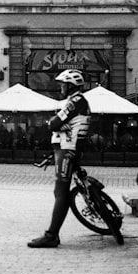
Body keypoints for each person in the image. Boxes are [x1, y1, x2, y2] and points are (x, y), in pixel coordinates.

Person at [28, 70, 91, 249]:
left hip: (68, 150)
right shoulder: (74, 101)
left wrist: (55, 124)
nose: (61, 88)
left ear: (71, 85)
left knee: (61, 191)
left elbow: (53, 124)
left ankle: (51, 235)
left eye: (63, 84)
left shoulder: (76, 101)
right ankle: (52, 234)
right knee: (59, 191)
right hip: (64, 148)